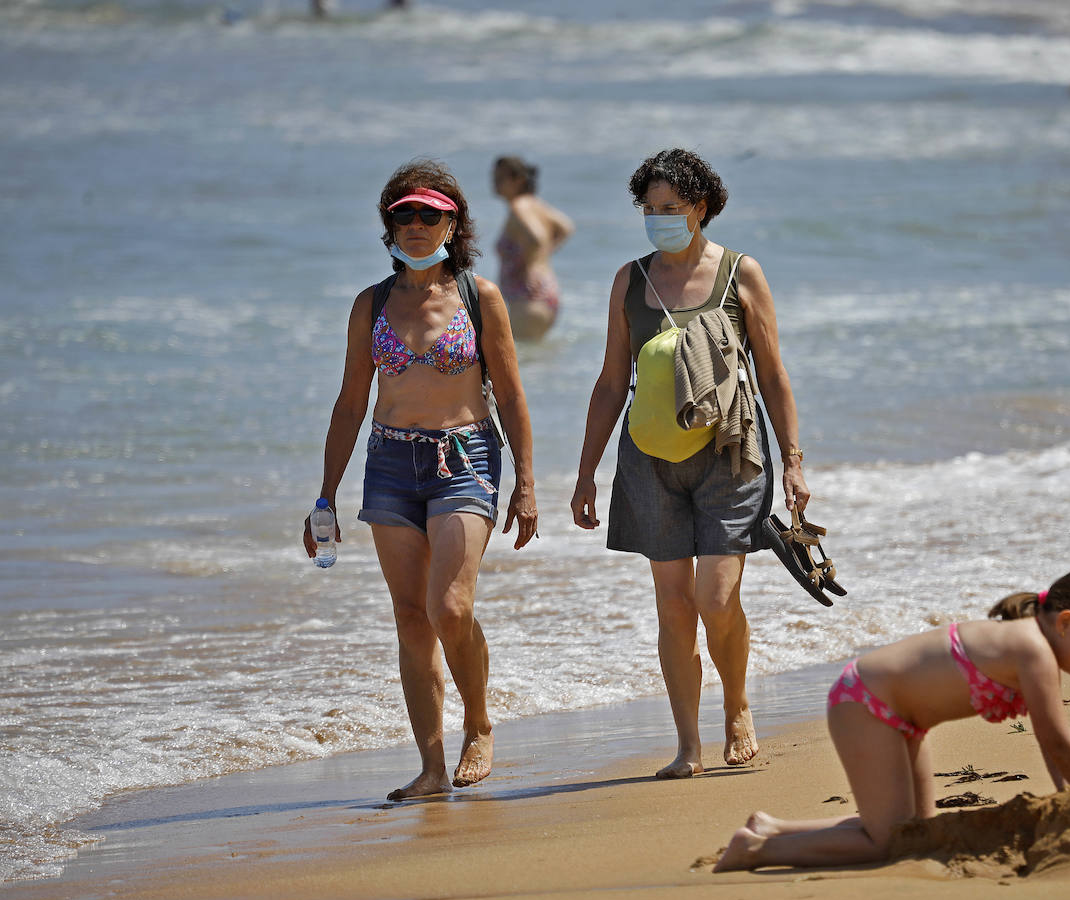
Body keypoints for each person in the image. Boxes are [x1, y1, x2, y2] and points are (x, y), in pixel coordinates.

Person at [570, 149, 810, 779]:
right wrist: (585, 472)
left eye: (670, 210)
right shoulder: (630, 280)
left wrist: (793, 462)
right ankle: (688, 745)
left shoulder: (740, 274)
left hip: (729, 455)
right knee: (673, 606)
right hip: (649, 460)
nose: (658, 220)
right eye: (649, 210)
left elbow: (774, 375)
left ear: (701, 207)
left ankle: (736, 706)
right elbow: (608, 383)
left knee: (716, 597)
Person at [305, 158, 538, 800]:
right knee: (411, 616)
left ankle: (480, 723)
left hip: (465, 458)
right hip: (389, 464)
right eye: (403, 214)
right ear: (389, 223)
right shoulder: (370, 303)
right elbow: (351, 402)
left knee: (449, 606)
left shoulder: (479, 297)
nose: (415, 225)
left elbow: (513, 396)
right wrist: (324, 496)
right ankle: (432, 768)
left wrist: (526, 484)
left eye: (428, 214)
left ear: (451, 222)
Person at [713, 568, 1070, 871]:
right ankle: (754, 851)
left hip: (899, 719)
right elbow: (1058, 742)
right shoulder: (1033, 649)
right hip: (864, 705)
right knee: (889, 843)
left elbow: (1051, 748)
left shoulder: (1036, 648)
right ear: (1066, 622)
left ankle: (773, 827)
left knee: (917, 832)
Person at [492, 156, 575, 341]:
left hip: (528, 297)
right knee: (535, 364)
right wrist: (542, 257)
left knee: (521, 365)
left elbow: (535, 238)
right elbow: (566, 227)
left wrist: (530, 265)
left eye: (500, 178)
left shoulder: (518, 206)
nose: (494, 183)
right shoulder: (537, 205)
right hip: (546, 293)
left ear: (518, 180)